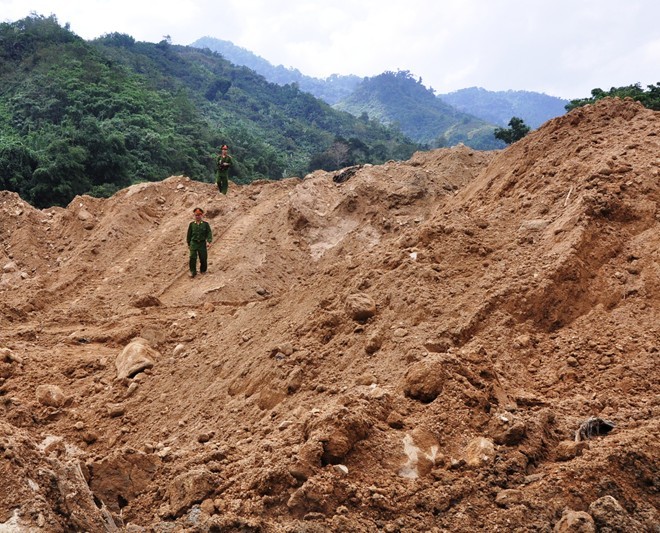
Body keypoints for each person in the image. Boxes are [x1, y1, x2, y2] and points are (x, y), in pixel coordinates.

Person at [186, 207, 212, 278]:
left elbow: (209, 233)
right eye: (196, 215)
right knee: (192, 257)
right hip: (194, 243)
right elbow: (189, 234)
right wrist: (188, 243)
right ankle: (193, 272)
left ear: (202, 215)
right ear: (194, 215)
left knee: (203, 258)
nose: (197, 216)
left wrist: (209, 241)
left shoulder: (205, 224)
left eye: (199, 215)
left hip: (202, 243)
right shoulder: (191, 224)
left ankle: (203, 270)